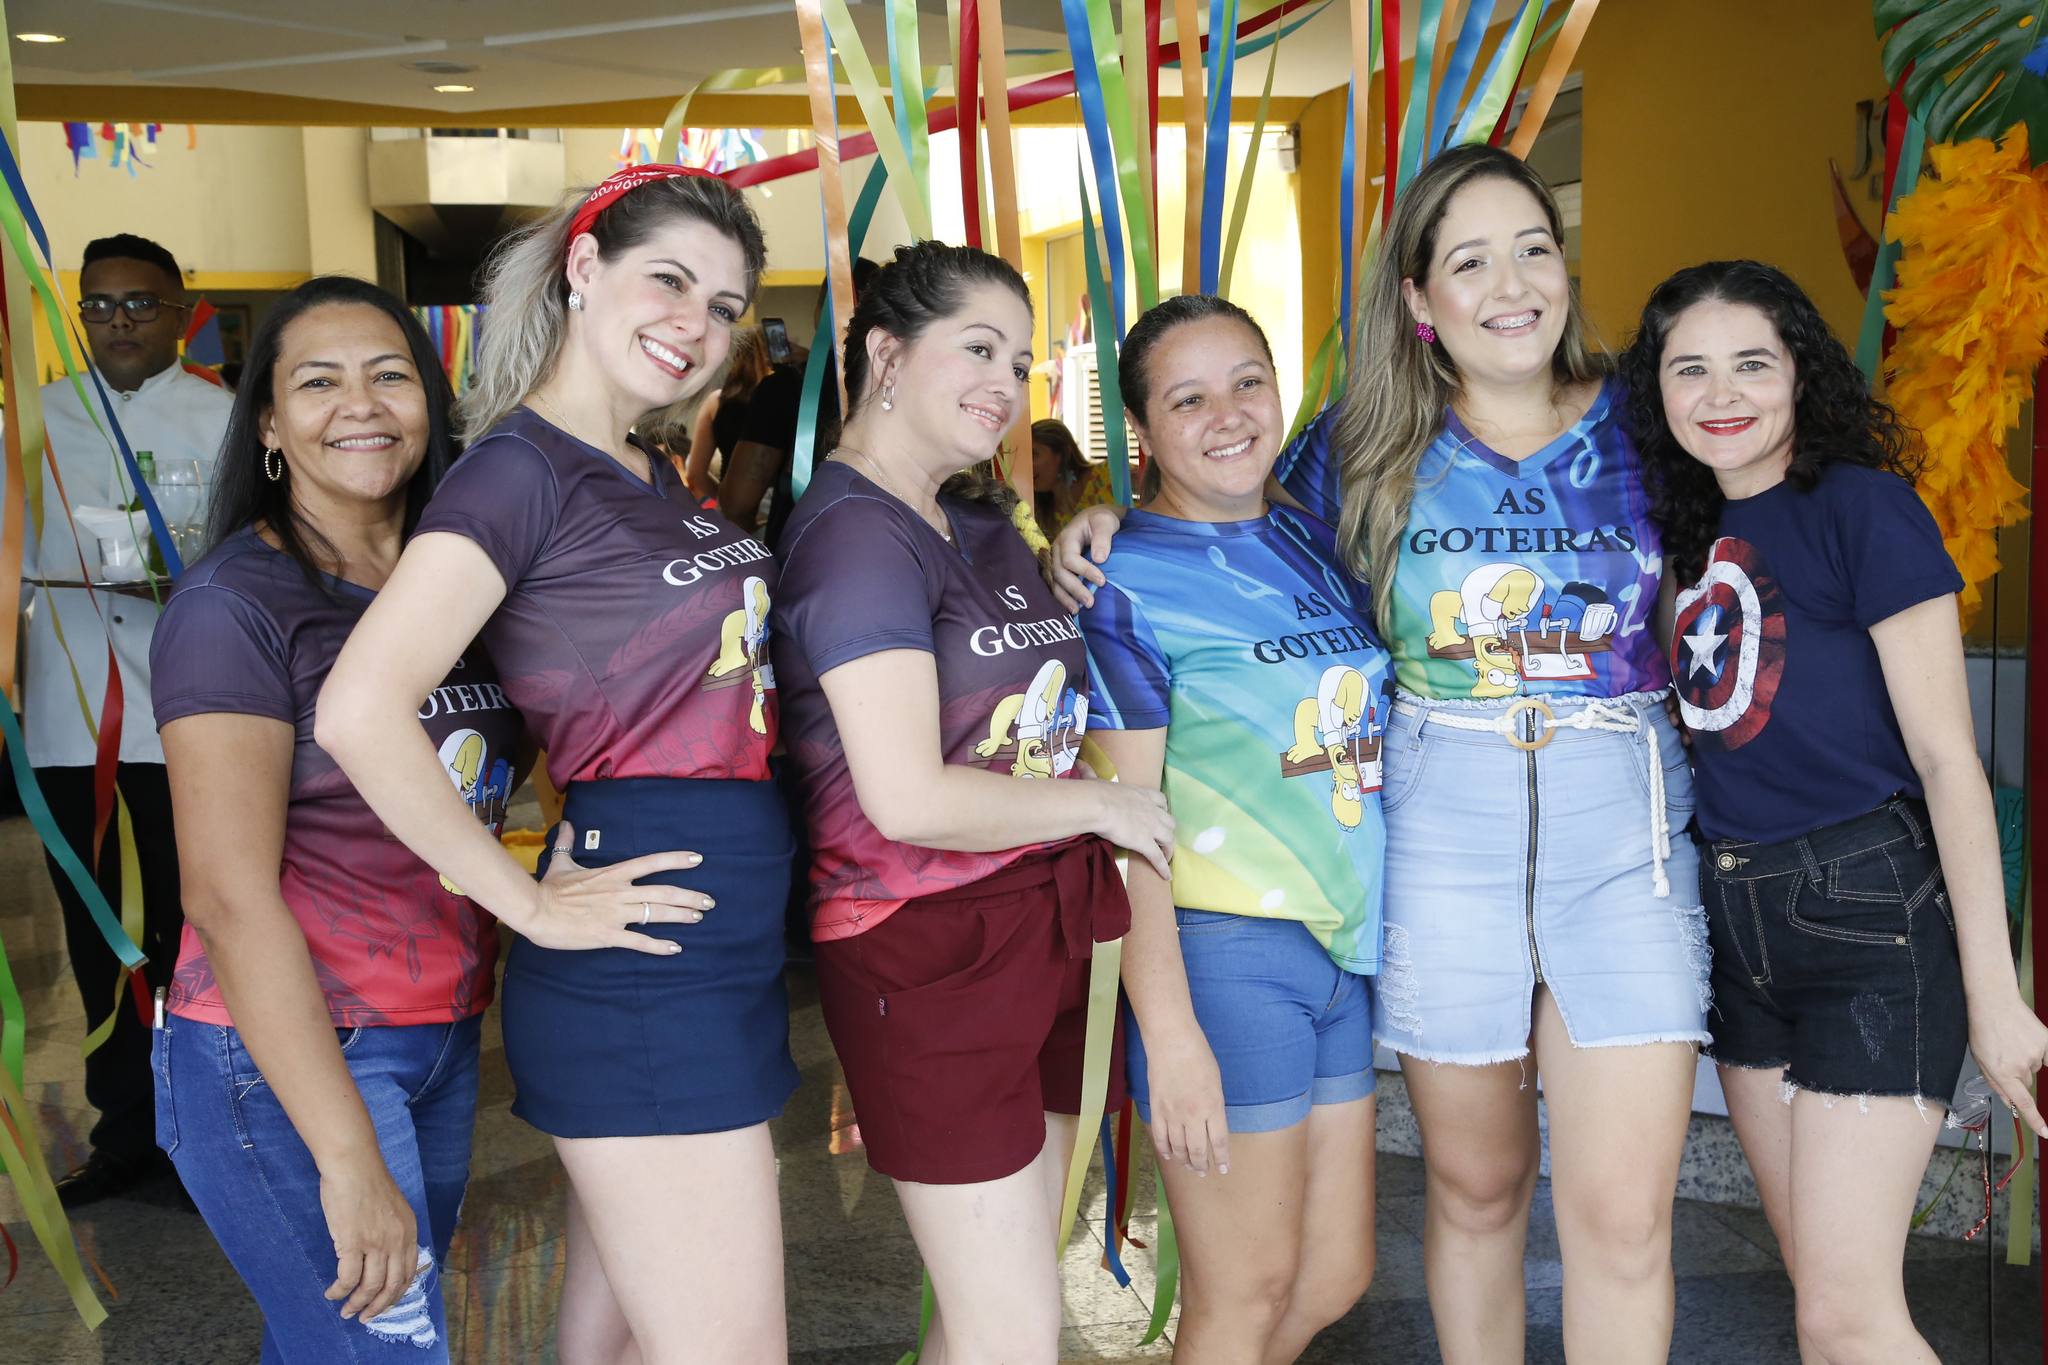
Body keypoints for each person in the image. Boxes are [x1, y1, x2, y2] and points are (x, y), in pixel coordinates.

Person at [1055, 145, 1709, 1363]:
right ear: (1417, 298)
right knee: (1473, 1188)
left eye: (1532, 248)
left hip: (1621, 836)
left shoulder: (1646, 419)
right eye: (1469, 260)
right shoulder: (1361, 440)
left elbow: (1772, 504)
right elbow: (1221, 516)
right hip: (1437, 839)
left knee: (1622, 1219)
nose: (1510, 283)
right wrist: (1101, 522)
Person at [316, 167, 793, 1364]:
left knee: (615, 1346)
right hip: (642, 963)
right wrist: (522, 901)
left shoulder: (641, 467)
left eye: (724, 306)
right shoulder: (517, 469)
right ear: (584, 268)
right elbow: (360, 710)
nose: (697, 324)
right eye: (668, 281)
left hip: (712, 944)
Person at [1620, 259, 2048, 1364]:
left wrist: (1994, 993)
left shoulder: (1862, 507)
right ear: (1656, 391)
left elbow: (1949, 761)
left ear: (1800, 375)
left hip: (1867, 917)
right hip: (1733, 925)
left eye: (1751, 364)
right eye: (1689, 369)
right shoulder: (1679, 527)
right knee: (1820, 1293)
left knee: (1845, 1315)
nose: (1722, 393)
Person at [771, 241, 1174, 1364]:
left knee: (996, 1310)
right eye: (980, 349)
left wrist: (1097, 534)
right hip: (926, 948)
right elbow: (906, 796)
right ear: (888, 354)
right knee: (1013, 1331)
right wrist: (1101, 809)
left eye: (1022, 361)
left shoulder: (980, 519)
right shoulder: (854, 537)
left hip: (1043, 926)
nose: (1007, 384)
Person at [150, 276, 518, 1360]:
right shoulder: (233, 605)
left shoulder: (456, 585)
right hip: (290, 1057)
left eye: (389, 375)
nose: (360, 404)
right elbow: (225, 896)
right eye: (318, 383)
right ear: (268, 424)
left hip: (440, 1032)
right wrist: (347, 1157)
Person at [1076, 294, 1387, 1360]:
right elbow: (1125, 828)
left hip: (1337, 951)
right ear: (1139, 428)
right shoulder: (1122, 580)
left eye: (1247, 381)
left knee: (1333, 1274)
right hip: (1220, 960)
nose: (1227, 414)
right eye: (1187, 398)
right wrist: (1170, 1035)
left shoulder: (1309, 531)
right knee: (1242, 1290)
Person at [18, 232, 231, 1205]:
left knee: (195, 928)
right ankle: (124, 1135)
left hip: (192, 714)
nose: (118, 322)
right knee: (96, 928)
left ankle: (206, 1133)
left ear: (180, 312)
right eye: (97, 305)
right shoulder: (36, 419)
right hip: (70, 721)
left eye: (139, 303)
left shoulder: (224, 418)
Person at [719, 256, 880, 545]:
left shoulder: (787, 388)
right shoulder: (897, 387)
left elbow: (738, 504)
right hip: (885, 547)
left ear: (820, 311)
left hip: (800, 554)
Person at [684, 326, 773, 502]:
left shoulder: (715, 402)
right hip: (780, 503)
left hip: (732, 501)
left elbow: (695, 473)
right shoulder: (785, 400)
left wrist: (726, 503)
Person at [1028, 417, 1112, 540]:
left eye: (1034, 454)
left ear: (1063, 453)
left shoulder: (1107, 474)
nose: (1027, 464)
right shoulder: (1038, 513)